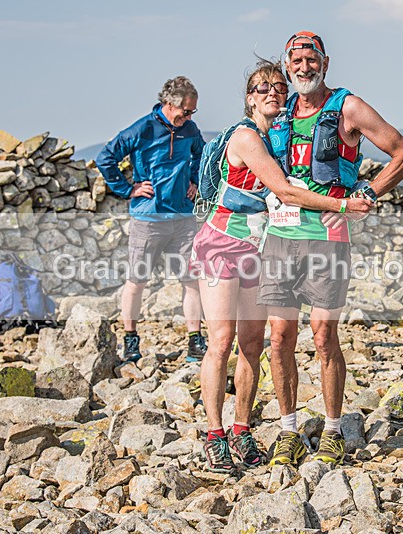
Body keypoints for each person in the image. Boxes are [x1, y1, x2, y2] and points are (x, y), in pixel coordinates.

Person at [192, 59, 372, 474]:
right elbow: (286, 191)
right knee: (221, 342)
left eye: (278, 85)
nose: (272, 92)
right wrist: (344, 206)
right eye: (261, 88)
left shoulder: (279, 136)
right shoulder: (246, 137)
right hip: (223, 244)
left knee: (253, 344)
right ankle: (214, 435)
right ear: (248, 99)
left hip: (260, 250)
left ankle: (241, 429)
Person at [261, 32, 403, 466]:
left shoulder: (347, 106)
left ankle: (332, 429)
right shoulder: (281, 110)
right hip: (280, 237)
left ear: (325, 63)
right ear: (287, 65)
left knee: (324, 335)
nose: (303, 68)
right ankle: (288, 431)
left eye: (311, 60)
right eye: (296, 61)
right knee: (278, 339)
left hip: (328, 240)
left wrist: (365, 194)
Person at [96, 76, 208, 363]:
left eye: (193, 111)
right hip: (148, 217)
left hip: (182, 216)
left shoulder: (190, 129)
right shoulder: (143, 129)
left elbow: (203, 155)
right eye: (186, 110)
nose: (189, 116)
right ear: (168, 104)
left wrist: (194, 180)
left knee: (192, 280)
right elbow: (105, 157)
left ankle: (195, 342)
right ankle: (131, 340)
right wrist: (128, 188)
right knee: (137, 281)